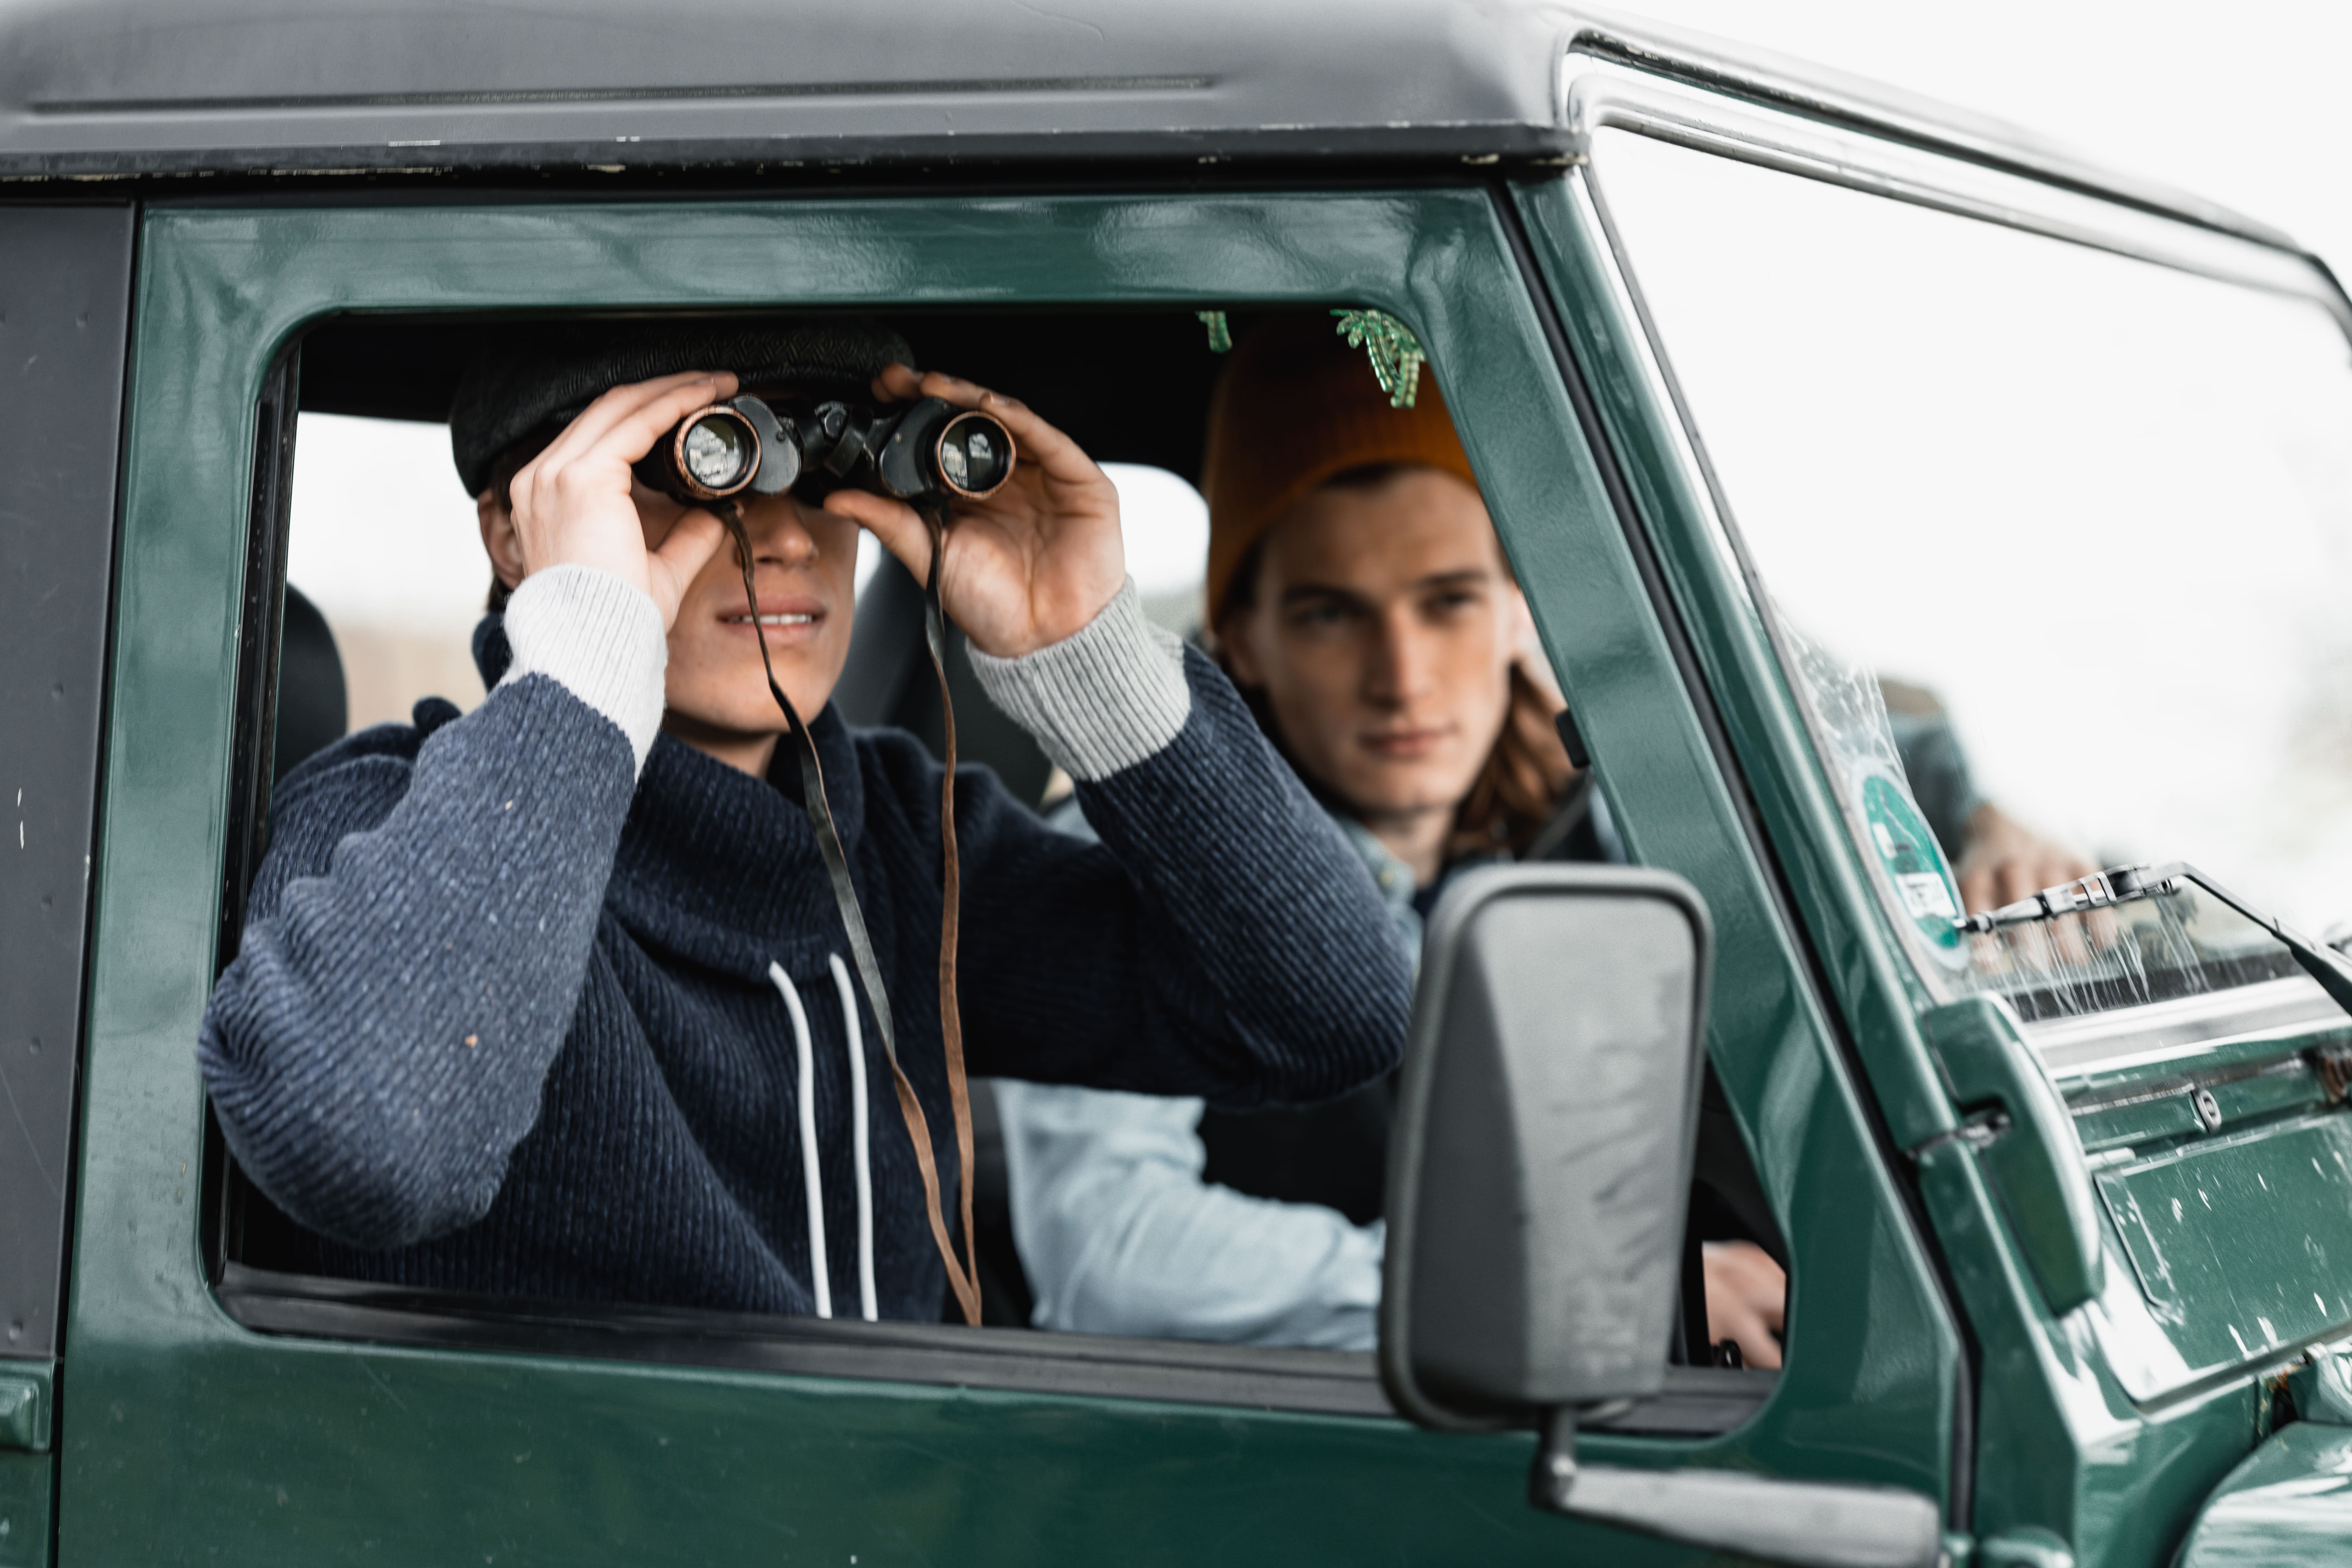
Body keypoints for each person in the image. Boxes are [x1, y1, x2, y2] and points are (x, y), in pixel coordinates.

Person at [198, 320, 1412, 1324]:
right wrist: (579, 668)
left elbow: (1335, 1017)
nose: (783, 532)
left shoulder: (897, 844)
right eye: (703, 466)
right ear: (521, 531)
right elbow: (368, 1147)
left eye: (833, 477)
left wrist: (1086, 654)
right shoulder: (388, 821)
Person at [994, 314, 2091, 1366]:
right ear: (1243, 639)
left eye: (1450, 601)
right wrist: (1590, 1290)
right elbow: (1111, 1251)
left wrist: (1997, 816)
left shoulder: (1607, 808)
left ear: (1519, 611)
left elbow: (1879, 762)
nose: (1405, 676)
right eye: (1332, 613)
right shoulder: (1137, 843)